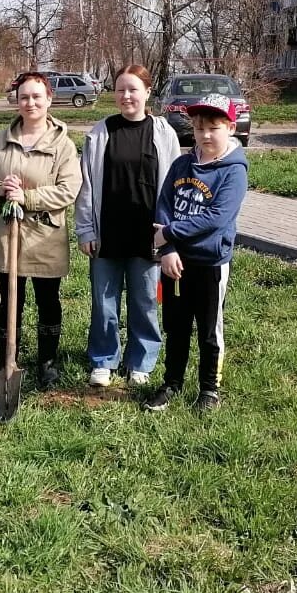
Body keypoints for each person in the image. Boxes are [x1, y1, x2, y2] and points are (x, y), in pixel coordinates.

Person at [74, 63, 181, 387]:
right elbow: (86, 186)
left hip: (148, 236)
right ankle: (104, 359)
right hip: (107, 233)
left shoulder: (163, 132)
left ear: (148, 92)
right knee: (104, 303)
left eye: (133, 89)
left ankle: (141, 362)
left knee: (145, 302)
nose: (126, 96)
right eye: (120, 89)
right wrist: (86, 230)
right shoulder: (100, 132)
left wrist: (170, 236)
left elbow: (175, 186)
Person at [0, 72, 82, 386]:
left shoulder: (62, 143)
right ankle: (7, 359)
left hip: (45, 236)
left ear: (49, 99)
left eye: (36, 96)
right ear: (16, 101)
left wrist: (29, 197)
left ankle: (47, 363)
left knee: (48, 300)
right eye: (24, 97)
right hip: (6, 235)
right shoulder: (0, 139)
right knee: (8, 301)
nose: (30, 102)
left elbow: (69, 189)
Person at [143, 98, 248, 412]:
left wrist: (168, 233)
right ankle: (171, 382)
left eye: (213, 129)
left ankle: (209, 389)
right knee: (175, 326)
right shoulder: (182, 165)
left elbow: (216, 217)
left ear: (230, 128)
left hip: (209, 263)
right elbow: (163, 205)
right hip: (174, 262)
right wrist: (168, 249)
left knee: (208, 329)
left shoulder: (234, 171)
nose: (205, 136)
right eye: (199, 128)